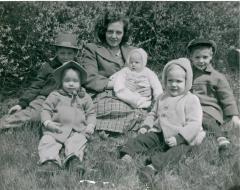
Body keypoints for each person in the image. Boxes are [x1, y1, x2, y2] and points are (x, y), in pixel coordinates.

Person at [119, 58, 205, 183]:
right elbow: (153, 114)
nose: (174, 84)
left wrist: (179, 138)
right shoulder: (162, 97)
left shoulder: (191, 99)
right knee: (142, 140)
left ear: (187, 82)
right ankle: (125, 156)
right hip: (161, 132)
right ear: (165, 81)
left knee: (176, 153)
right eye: (170, 81)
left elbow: (195, 124)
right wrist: (146, 126)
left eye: (179, 81)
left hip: (183, 138)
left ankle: (152, 167)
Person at [82, 12, 151, 134]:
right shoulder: (92, 48)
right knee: (115, 107)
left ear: (124, 33)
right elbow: (89, 78)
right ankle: (137, 120)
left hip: (131, 95)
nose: (114, 36)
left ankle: (121, 122)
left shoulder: (133, 51)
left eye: (118, 32)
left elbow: (145, 74)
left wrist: (147, 88)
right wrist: (118, 84)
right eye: (110, 31)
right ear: (104, 31)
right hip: (104, 94)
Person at [0, 32, 80, 130]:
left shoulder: (78, 68)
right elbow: (36, 86)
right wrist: (22, 103)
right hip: (45, 99)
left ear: (75, 53)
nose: (65, 57)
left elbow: (83, 85)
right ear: (56, 52)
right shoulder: (49, 66)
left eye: (69, 53)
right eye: (62, 53)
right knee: (33, 116)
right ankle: (4, 123)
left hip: (66, 100)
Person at [38, 60, 96, 170]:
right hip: (56, 129)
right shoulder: (55, 95)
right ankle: (50, 161)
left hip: (77, 130)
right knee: (47, 141)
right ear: (61, 81)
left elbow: (91, 113)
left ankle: (73, 160)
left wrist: (90, 125)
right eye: (67, 80)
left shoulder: (84, 97)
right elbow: (45, 109)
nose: (71, 84)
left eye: (75, 81)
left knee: (78, 141)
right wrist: (48, 123)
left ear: (80, 82)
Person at [187, 39, 240, 150]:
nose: (201, 61)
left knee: (203, 117)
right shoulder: (188, 74)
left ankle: (221, 138)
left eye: (205, 57)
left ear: (211, 57)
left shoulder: (217, 77)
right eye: (197, 57)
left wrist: (233, 115)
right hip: (190, 108)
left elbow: (227, 97)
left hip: (209, 109)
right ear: (191, 58)